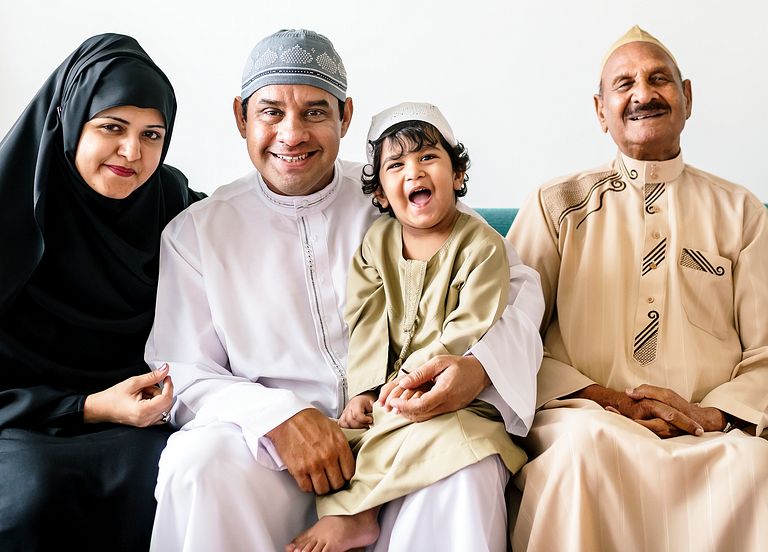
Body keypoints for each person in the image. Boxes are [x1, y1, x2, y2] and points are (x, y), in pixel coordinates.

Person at [147, 29, 543, 552]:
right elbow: (184, 370)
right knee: (194, 466)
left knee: (466, 472)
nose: (292, 135)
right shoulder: (196, 232)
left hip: (404, 428)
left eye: (315, 112)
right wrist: (280, 417)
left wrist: (478, 369)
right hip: (268, 452)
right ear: (241, 116)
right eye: (271, 113)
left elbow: (515, 286)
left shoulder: (395, 189)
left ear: (346, 116)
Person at [507, 25, 768, 552]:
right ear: (600, 110)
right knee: (582, 454)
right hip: (586, 417)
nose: (643, 94)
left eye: (658, 79)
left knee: (752, 466)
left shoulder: (739, 211)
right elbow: (509, 335)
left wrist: (714, 414)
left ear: (686, 97)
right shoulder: (556, 205)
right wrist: (607, 400)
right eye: (624, 84)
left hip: (709, 429)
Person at [289, 101, 528, 551]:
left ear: (456, 176)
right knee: (351, 436)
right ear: (380, 192)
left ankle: (357, 514)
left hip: (453, 396)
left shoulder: (481, 247)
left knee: (448, 438)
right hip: (388, 395)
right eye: (396, 165)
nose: (413, 172)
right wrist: (364, 389)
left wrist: (409, 384)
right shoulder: (376, 244)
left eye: (428, 158)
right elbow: (365, 321)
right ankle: (361, 504)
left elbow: (467, 328)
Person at [0, 33, 202, 549]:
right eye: (111, 126)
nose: (132, 152)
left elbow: (267, 232)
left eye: (152, 134)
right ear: (70, 121)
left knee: (176, 479)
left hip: (141, 423)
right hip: (22, 423)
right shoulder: (9, 211)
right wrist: (90, 406)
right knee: (33, 494)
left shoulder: (175, 207)